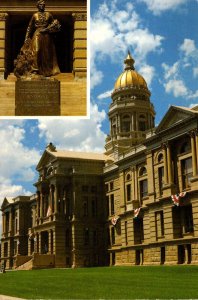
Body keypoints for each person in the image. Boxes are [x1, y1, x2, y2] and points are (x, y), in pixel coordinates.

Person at [14, 0, 60, 77]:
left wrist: (49, 29)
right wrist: (26, 37)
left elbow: (55, 26)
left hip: (46, 35)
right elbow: (29, 27)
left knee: (46, 53)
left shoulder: (49, 15)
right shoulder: (34, 15)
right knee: (36, 51)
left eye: (43, 5)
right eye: (41, 5)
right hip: (37, 33)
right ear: (38, 6)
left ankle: (46, 71)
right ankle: (34, 70)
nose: (42, 6)